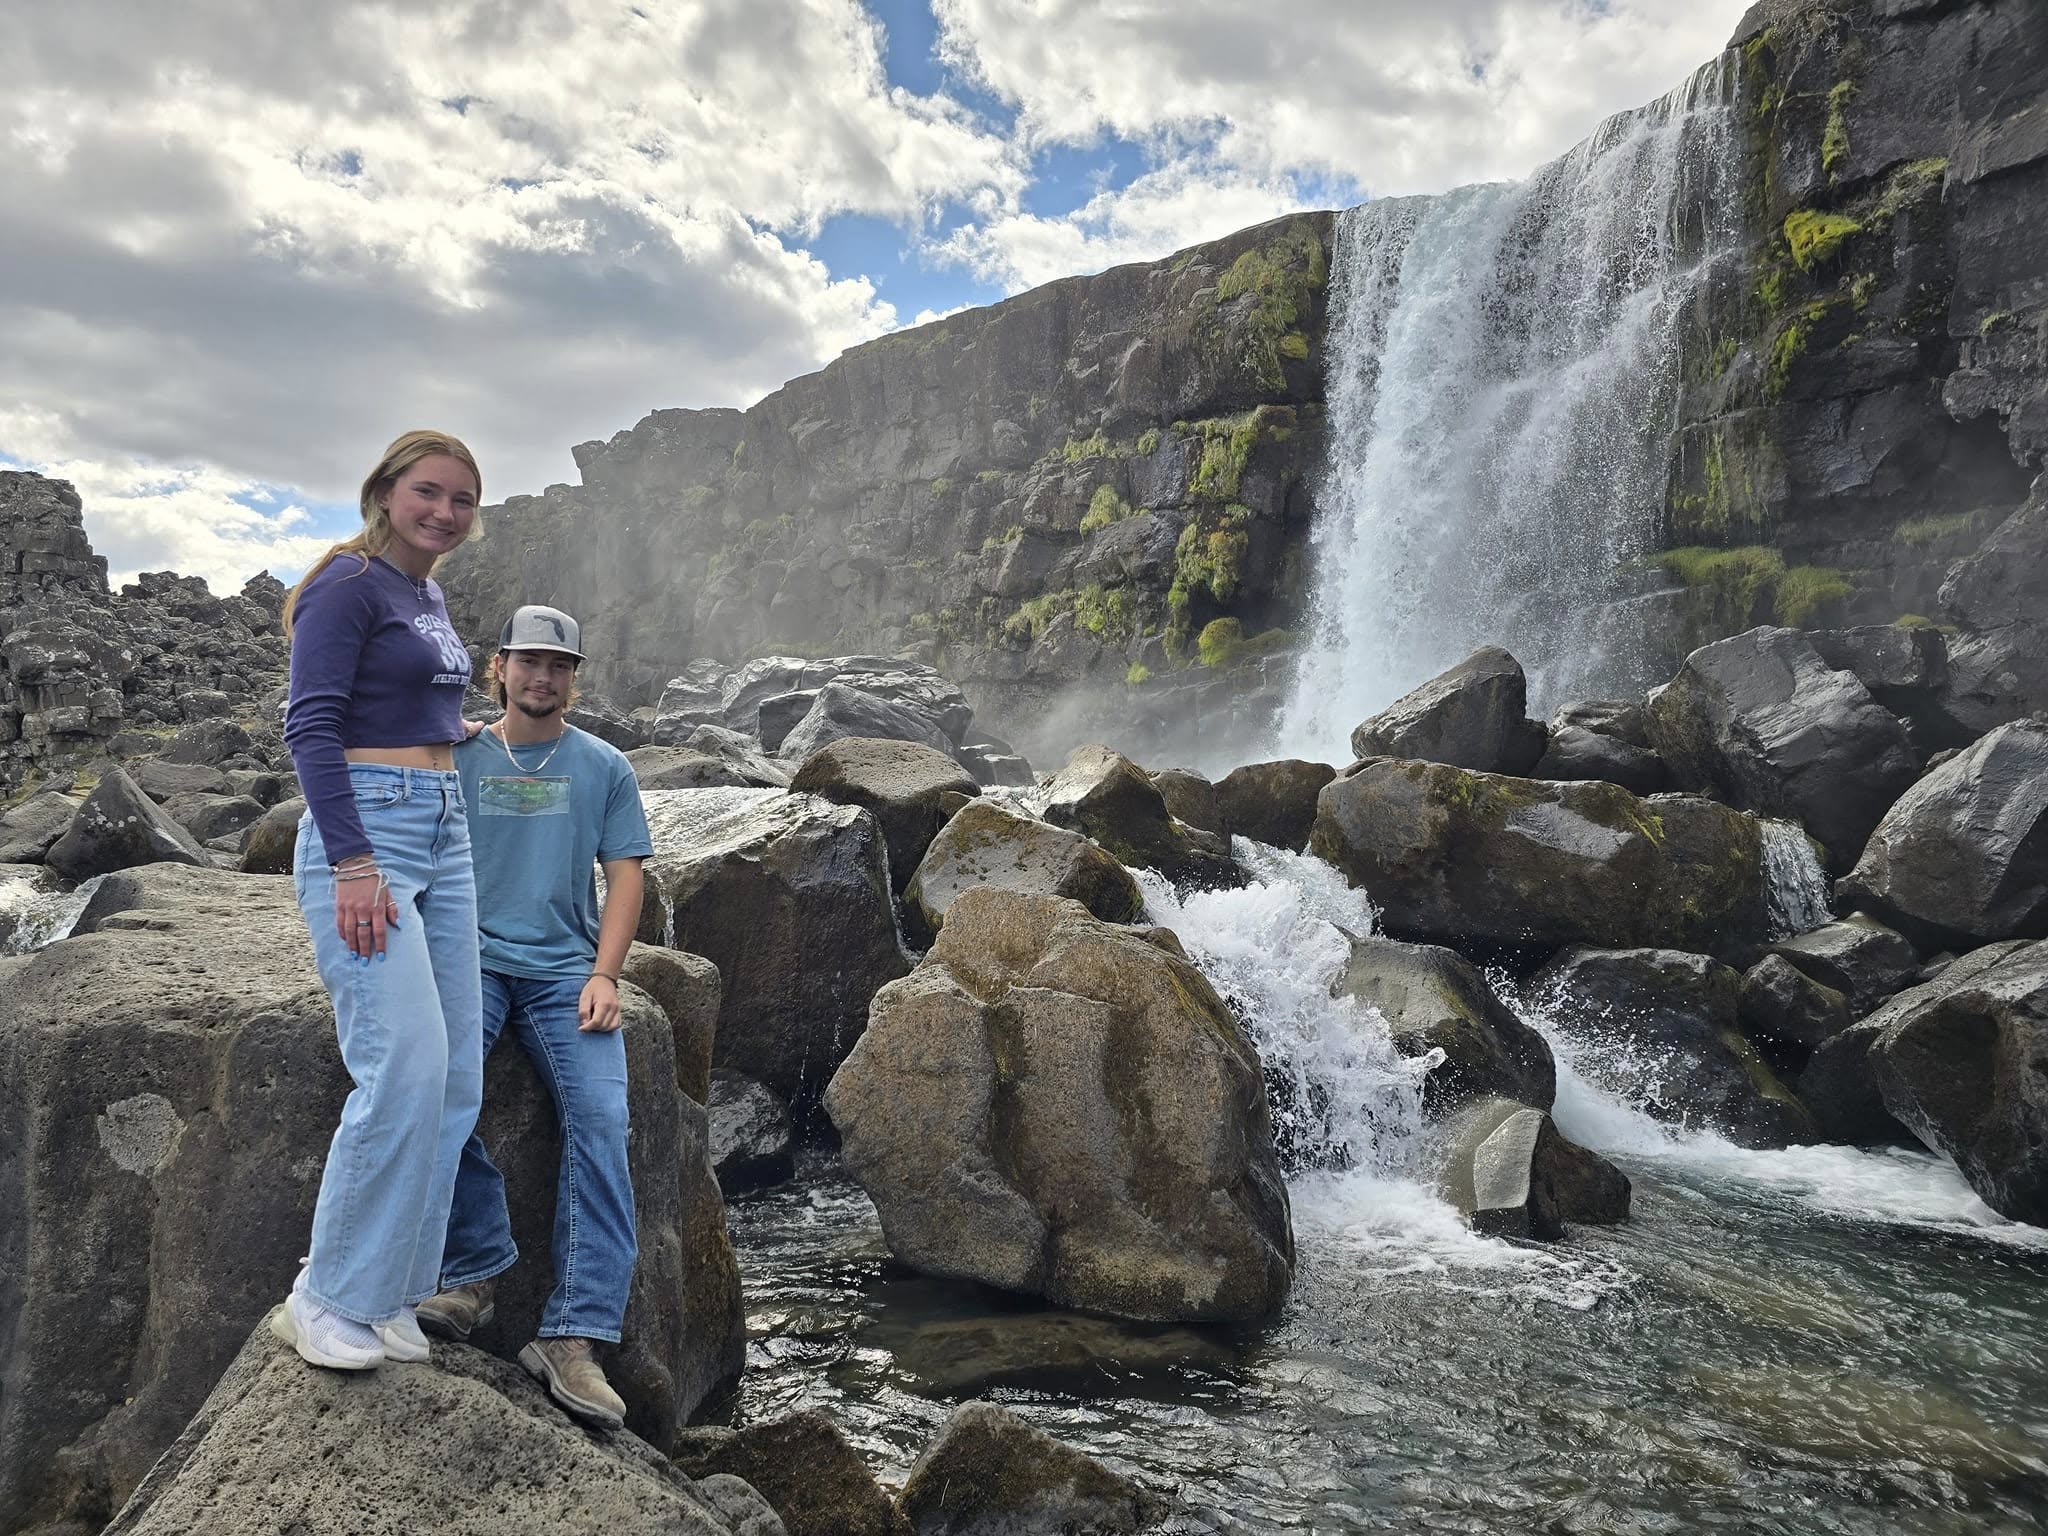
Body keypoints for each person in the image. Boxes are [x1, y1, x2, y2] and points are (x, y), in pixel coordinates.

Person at [271, 429, 485, 1371]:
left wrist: (456, 729)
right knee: (401, 1064)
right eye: (428, 492)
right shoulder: (346, 586)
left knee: (456, 1077)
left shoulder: (426, 593)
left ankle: (389, 1286)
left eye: (462, 501)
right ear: (386, 490)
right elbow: (311, 723)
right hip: (373, 834)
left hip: (445, 826)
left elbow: (406, 699)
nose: (444, 512)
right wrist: (354, 861)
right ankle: (323, 1295)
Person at [415, 604, 653, 1431]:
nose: (543, 678)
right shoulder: (459, 751)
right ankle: (473, 1269)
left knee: (603, 1118)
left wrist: (605, 974)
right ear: (499, 668)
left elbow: (626, 878)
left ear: (574, 680)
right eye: (529, 663)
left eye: (559, 666)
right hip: (468, 962)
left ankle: (573, 1337)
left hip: (562, 976)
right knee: (436, 1092)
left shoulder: (604, 767)